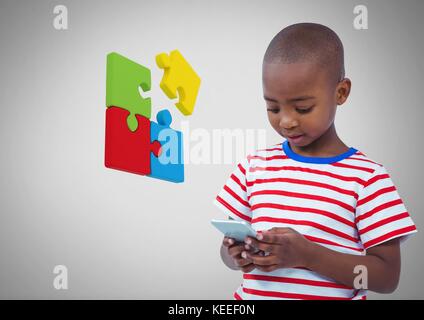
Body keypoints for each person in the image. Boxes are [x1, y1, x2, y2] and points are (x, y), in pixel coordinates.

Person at [214, 23, 417, 300]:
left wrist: (308, 255)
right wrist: (235, 254)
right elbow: (226, 253)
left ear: (341, 92)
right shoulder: (254, 167)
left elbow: (386, 277)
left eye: (303, 108)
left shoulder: (367, 179)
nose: (286, 121)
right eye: (273, 107)